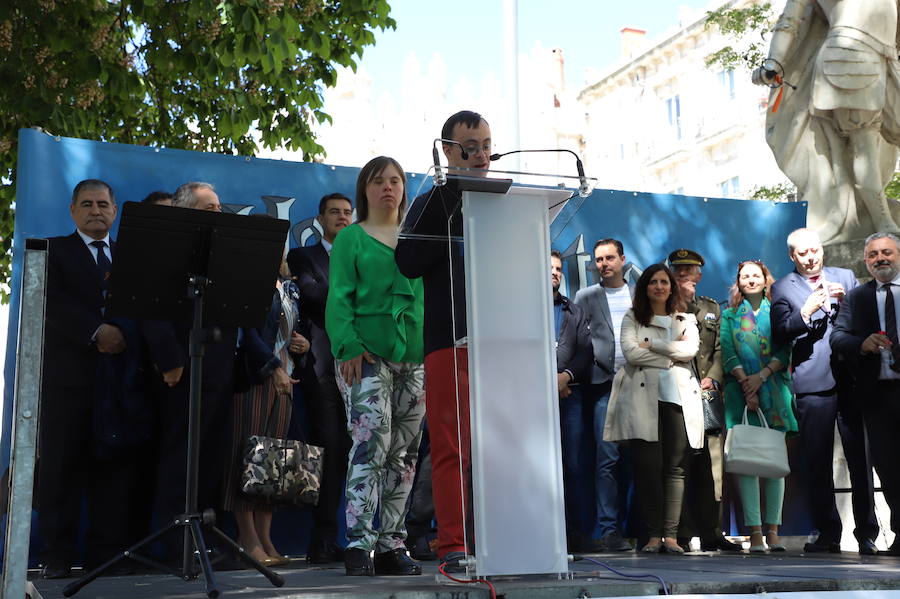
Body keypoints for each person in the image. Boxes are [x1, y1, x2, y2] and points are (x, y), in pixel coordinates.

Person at [394, 110, 492, 569]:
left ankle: (498, 538)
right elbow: (408, 261)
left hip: (503, 343)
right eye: (470, 147)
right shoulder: (434, 200)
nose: (481, 154)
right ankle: (454, 545)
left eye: (486, 145)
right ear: (448, 151)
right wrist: (451, 200)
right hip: (449, 342)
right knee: (452, 448)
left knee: (498, 447)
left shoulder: (507, 200)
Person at [326, 156, 426, 576]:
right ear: (364, 189)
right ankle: (359, 544)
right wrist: (347, 345)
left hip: (416, 358)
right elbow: (339, 296)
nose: (388, 187)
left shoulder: (420, 238)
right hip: (365, 354)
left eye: (396, 180)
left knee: (405, 455)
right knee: (371, 447)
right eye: (378, 181)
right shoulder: (351, 237)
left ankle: (391, 545)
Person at [37, 179, 133, 578]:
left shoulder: (130, 257)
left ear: (114, 211)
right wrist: (97, 331)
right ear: (73, 211)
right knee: (61, 471)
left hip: (120, 384)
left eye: (104, 204)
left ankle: (105, 556)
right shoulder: (53, 250)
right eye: (88, 204)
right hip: (68, 383)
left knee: (112, 473)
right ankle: (57, 557)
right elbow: (49, 301)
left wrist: (124, 331)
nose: (97, 211)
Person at [752, 0, 900, 242]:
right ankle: (883, 222)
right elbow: (791, 20)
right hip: (849, 61)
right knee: (865, 148)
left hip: (886, 60)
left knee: (872, 148)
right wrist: (773, 62)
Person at [141, 180, 234, 564]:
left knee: (210, 458)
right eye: (207, 207)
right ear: (184, 212)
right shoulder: (165, 250)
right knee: (180, 458)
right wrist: (171, 358)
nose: (216, 214)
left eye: (218, 207)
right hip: (180, 369)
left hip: (219, 369)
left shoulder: (224, 253)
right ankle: (172, 546)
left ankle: (202, 541)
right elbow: (150, 307)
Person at [771, 228, 878, 554]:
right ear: (793, 256)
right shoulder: (782, 287)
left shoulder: (845, 277)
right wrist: (805, 312)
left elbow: (868, 320)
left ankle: (867, 535)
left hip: (851, 380)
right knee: (817, 463)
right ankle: (828, 534)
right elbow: (780, 333)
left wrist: (848, 302)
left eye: (815, 250)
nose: (811, 257)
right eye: (803, 253)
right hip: (812, 385)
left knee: (860, 460)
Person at [603, 264, 703, 555]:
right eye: (653, 282)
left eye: (664, 282)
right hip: (641, 401)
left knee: (675, 469)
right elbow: (631, 353)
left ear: (671, 287)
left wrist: (653, 343)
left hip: (677, 399)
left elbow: (690, 351)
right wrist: (670, 353)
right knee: (647, 469)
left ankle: (671, 537)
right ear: (645, 287)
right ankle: (653, 535)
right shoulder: (633, 317)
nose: (659, 286)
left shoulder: (685, 318)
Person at [222, 251, 310, 567]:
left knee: (272, 462)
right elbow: (247, 336)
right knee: (246, 457)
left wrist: (301, 343)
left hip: (286, 378)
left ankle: (266, 538)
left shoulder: (287, 286)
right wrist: (273, 368)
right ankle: (247, 540)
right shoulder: (246, 284)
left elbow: (285, 330)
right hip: (256, 378)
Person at [286, 192, 354, 564]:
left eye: (347, 213)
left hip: (361, 367)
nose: (342, 218)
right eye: (335, 213)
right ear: (320, 219)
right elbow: (313, 295)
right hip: (322, 367)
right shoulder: (303, 256)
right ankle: (322, 539)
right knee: (330, 447)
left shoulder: (362, 256)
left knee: (355, 452)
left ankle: (349, 536)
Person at [720, 260, 798, 553]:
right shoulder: (728, 316)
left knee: (774, 465)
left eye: (756, 275)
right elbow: (727, 352)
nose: (750, 280)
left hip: (774, 393)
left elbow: (785, 348)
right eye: (745, 276)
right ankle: (754, 532)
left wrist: (761, 377)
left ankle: (774, 531)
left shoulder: (777, 312)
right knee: (747, 465)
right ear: (738, 282)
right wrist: (746, 384)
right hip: (741, 395)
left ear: (766, 279)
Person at [831, 232, 900, 556]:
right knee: (888, 467)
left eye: (886, 252)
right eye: (873, 255)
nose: (880, 259)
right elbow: (837, 337)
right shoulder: (857, 297)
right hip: (878, 395)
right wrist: (862, 343)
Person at [668, 249, 741, 553]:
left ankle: (712, 532)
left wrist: (713, 376)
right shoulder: (664, 308)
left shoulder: (711, 307)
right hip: (676, 395)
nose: (685, 275)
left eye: (690, 270)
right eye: (679, 270)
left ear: (699, 275)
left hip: (708, 396)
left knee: (712, 467)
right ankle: (681, 533)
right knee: (680, 463)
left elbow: (722, 348)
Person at [572, 238, 634, 552]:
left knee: (642, 461)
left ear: (622, 259)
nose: (604, 264)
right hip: (604, 387)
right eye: (598, 259)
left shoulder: (640, 293)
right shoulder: (586, 297)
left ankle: (646, 531)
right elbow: (576, 338)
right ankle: (610, 530)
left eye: (610, 258)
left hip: (641, 387)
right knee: (606, 460)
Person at [551, 250, 594, 552]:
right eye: (548, 267)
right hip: (529, 396)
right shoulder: (522, 307)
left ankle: (575, 536)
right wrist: (547, 380)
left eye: (557, 269)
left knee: (573, 465)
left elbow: (586, 351)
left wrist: (564, 377)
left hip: (570, 396)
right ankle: (543, 531)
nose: (553, 272)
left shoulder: (573, 310)